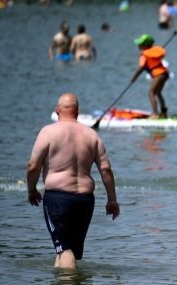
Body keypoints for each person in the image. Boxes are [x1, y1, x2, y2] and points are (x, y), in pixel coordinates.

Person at [26, 93, 119, 269]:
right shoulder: (92, 135)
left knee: (64, 250)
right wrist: (112, 200)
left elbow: (33, 166)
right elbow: (106, 169)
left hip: (58, 199)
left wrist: (31, 190)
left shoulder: (48, 132)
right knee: (68, 251)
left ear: (57, 110)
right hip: (85, 200)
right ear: (78, 111)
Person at [131, 34, 169, 119]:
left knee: (151, 93)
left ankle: (155, 114)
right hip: (165, 73)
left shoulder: (144, 55)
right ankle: (164, 113)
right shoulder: (154, 52)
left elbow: (141, 67)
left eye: (140, 44)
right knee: (158, 93)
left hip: (158, 75)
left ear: (145, 45)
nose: (138, 46)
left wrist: (134, 77)